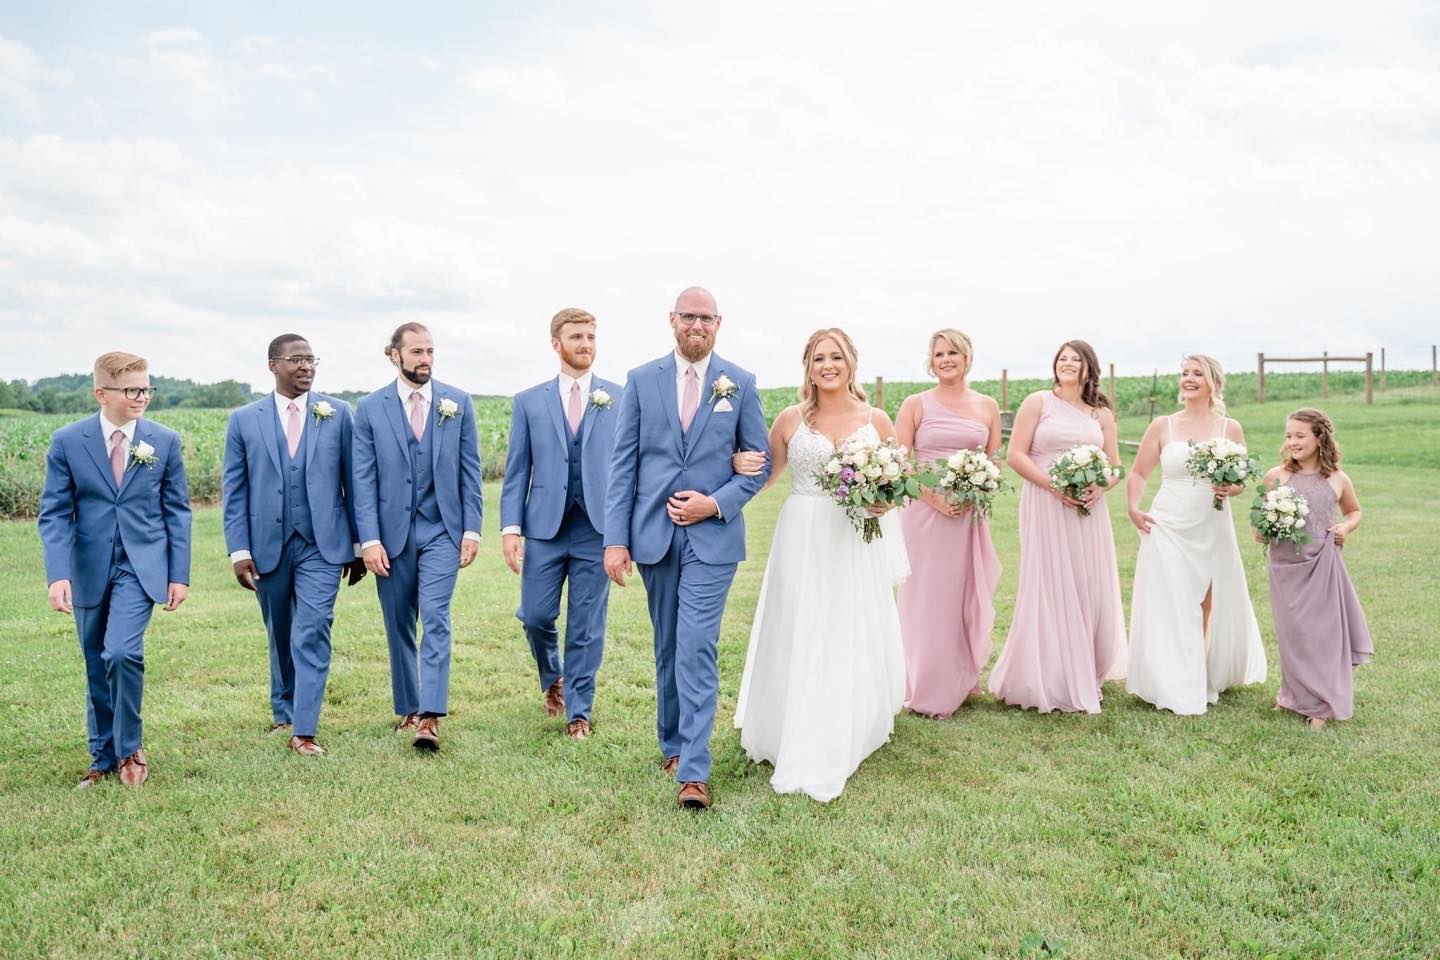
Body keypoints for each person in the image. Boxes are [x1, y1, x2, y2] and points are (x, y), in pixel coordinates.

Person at [603, 286, 770, 810]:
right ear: (672, 320)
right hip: (653, 535)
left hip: (713, 539)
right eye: (688, 316)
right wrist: (616, 540)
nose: (697, 325)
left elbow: (758, 465)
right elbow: (623, 466)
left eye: (706, 318)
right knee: (669, 645)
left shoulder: (739, 383)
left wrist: (714, 504)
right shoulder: (640, 380)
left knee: (697, 645)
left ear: (719, 324)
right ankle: (672, 744)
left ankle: (694, 772)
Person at [730, 328, 907, 802]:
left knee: (846, 622)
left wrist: (883, 502)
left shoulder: (876, 419)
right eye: (818, 358)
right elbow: (765, 476)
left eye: (836, 357)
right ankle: (791, 721)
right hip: (801, 534)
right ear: (808, 367)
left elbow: (898, 482)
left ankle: (846, 719)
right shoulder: (791, 419)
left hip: (851, 537)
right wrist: (736, 469)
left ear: (851, 363)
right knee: (799, 621)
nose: (828, 365)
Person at [39, 351, 191, 787]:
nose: (141, 397)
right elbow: (54, 513)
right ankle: (102, 758)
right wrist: (58, 574)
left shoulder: (164, 441)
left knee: (121, 652)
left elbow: (177, 511)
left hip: (141, 568)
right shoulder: (68, 441)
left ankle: (130, 750)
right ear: (101, 393)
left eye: (146, 388)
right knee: (95, 662)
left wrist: (178, 574)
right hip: (87, 567)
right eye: (131, 390)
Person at [221, 335, 367, 756]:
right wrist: (239, 551)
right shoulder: (243, 420)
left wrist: (359, 545)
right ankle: (283, 711)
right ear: (273, 365)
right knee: (280, 629)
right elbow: (235, 491)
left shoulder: (338, 413)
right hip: (266, 545)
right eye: (296, 360)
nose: (306, 367)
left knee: (313, 628)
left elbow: (355, 482)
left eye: (311, 359)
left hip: (323, 544)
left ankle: (304, 729)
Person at [353, 323, 482, 751]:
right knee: (399, 623)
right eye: (417, 352)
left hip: (442, 529)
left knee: (436, 616)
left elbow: (470, 471)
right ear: (395, 355)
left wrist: (472, 529)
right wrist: (369, 540)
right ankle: (408, 707)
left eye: (430, 351)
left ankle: (430, 715)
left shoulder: (457, 402)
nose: (426, 359)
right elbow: (362, 480)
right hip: (390, 536)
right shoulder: (369, 409)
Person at [500, 309, 622, 740]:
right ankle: (553, 676)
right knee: (535, 615)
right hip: (544, 528)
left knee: (587, 624)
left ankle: (579, 712)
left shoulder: (620, 398)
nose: (586, 344)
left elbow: (631, 469)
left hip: (597, 529)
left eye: (591, 336)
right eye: (576, 337)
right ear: (556, 344)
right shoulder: (529, 402)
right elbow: (517, 470)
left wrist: (622, 535)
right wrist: (510, 528)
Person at [987, 340, 1127, 713]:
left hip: (1088, 509)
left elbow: (1116, 465)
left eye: (1075, 359)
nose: (1067, 363)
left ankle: (1086, 669)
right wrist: (1052, 486)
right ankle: (1048, 674)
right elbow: (1015, 455)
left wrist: (1102, 486)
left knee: (1087, 583)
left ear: (1089, 367)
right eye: (1062, 358)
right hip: (1045, 502)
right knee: (1049, 581)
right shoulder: (1038, 402)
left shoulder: (1101, 414)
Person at [1125, 354, 1266, 714]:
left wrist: (1230, 488)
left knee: (1205, 602)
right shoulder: (1163, 425)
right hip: (1168, 522)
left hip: (1211, 523)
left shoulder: (1229, 428)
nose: (1188, 379)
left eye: (1197, 374)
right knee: (1171, 598)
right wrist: (1133, 507)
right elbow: (1139, 472)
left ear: (1214, 383)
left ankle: (1197, 672)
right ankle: (1171, 678)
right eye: (1185, 373)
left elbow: (1240, 481)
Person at [893, 329, 1002, 718]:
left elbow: (993, 461)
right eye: (939, 354)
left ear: (967, 357)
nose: (946, 359)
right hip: (924, 514)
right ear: (931, 361)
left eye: (953, 352)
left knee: (961, 597)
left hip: (966, 516)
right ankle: (924, 684)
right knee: (925, 599)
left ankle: (961, 676)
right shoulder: (915, 404)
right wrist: (934, 498)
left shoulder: (987, 406)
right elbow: (900, 462)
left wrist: (976, 491)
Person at [1258, 408, 1372, 727]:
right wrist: (1261, 529)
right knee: (1291, 634)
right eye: (1288, 436)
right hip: (1285, 566)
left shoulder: (1337, 479)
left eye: (1300, 435)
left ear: (1319, 438)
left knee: (1320, 635)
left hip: (1322, 563)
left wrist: (1345, 527)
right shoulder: (1275, 477)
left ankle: (1320, 706)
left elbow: (1354, 511)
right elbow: (1261, 518)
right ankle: (1291, 695)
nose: (1292, 442)